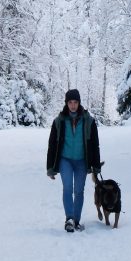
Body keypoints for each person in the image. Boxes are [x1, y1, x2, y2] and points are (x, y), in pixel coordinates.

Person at [46, 88, 101, 232]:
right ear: (66, 103)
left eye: (75, 102)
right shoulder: (59, 121)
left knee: (79, 191)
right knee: (68, 188)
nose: (73, 105)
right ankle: (69, 218)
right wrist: (50, 167)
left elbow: (95, 144)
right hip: (65, 160)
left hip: (82, 161)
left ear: (79, 102)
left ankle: (76, 220)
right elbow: (52, 145)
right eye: (70, 102)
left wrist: (96, 165)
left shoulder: (88, 121)